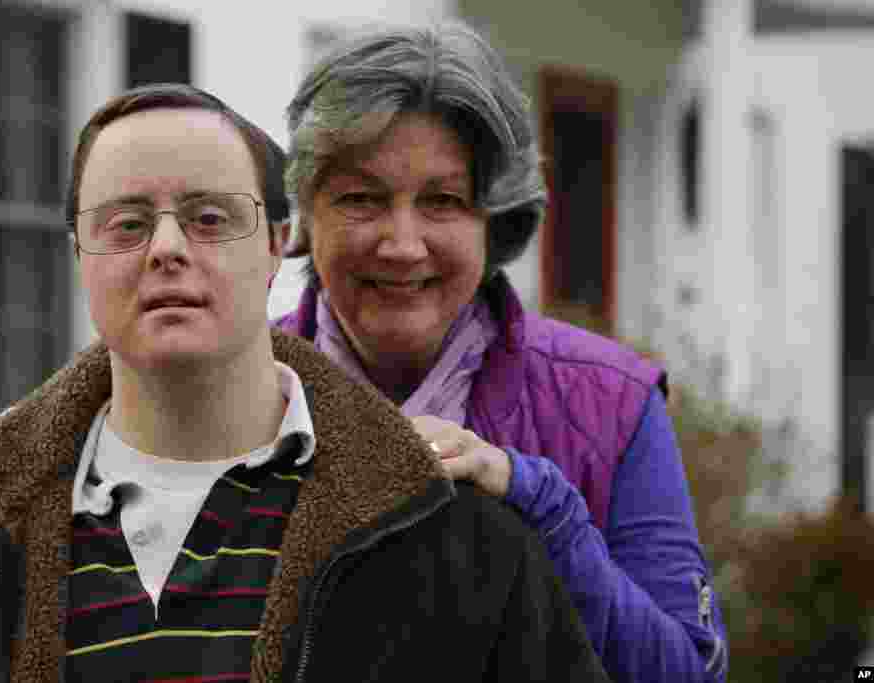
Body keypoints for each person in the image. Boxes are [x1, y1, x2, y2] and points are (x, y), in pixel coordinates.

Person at [0, 83, 610, 682]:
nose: (168, 248)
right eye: (126, 223)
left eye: (211, 217)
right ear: (79, 250)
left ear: (279, 244)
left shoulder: (455, 545)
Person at [275, 21, 727, 683]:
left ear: (498, 219)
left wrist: (543, 504)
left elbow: (687, 674)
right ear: (306, 218)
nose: (403, 244)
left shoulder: (613, 404)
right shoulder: (235, 392)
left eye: (443, 201)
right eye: (362, 199)